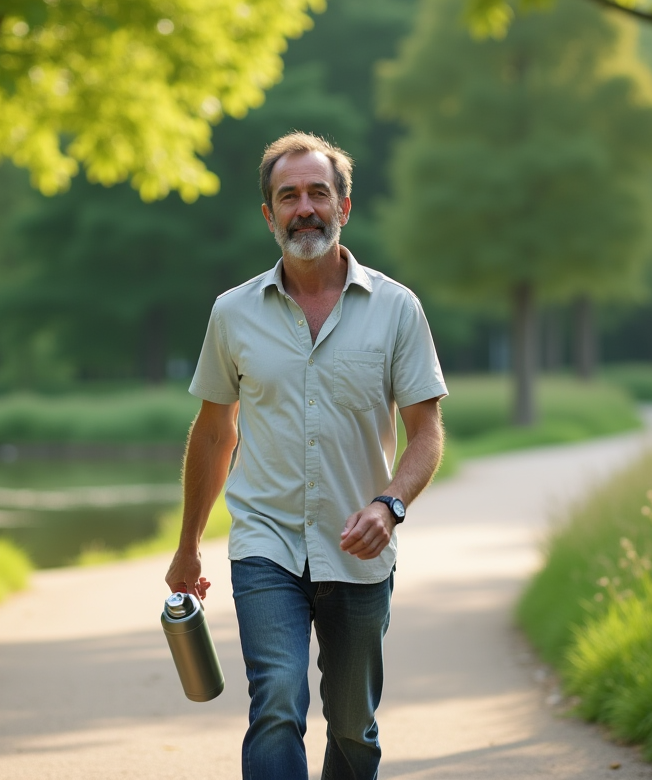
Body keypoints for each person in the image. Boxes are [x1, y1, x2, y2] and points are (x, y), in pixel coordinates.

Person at [165, 131, 447, 780]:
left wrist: (390, 503)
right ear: (269, 216)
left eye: (318, 192)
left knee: (353, 729)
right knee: (276, 704)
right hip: (265, 541)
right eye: (287, 196)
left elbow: (426, 433)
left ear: (344, 206)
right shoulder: (232, 314)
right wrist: (188, 545)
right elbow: (213, 434)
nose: (304, 208)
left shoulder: (398, 309)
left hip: (358, 546)